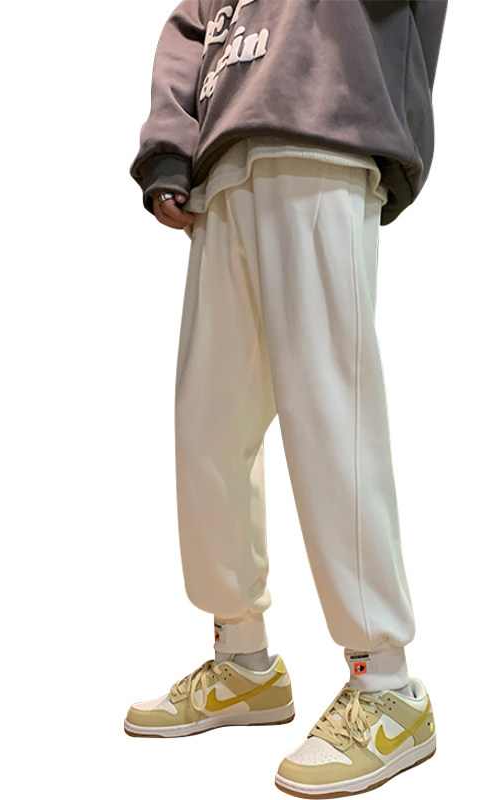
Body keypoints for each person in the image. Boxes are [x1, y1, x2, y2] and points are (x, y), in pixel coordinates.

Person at [124, 1, 447, 796]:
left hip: (325, 128)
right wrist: (169, 149)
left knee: (331, 414)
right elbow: (190, 28)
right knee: (208, 426)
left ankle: (388, 686)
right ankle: (244, 662)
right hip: (224, 161)